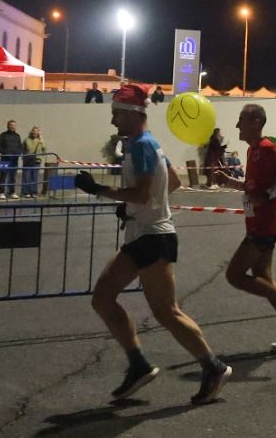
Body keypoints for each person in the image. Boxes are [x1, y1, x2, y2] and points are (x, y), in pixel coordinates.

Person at [73, 84, 231, 402]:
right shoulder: (147, 144)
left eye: (117, 113)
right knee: (105, 298)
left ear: (133, 114)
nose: (113, 120)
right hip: (147, 234)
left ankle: (211, 366)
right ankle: (139, 364)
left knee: (165, 311)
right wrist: (136, 208)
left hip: (152, 237)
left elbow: (145, 193)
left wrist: (100, 190)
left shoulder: (142, 146)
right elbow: (171, 182)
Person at [213, 103, 276, 350]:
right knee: (263, 277)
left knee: (234, 275)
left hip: (265, 224)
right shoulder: (252, 151)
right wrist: (230, 183)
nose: (237, 125)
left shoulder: (267, 148)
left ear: (256, 122)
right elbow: (251, 188)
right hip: (258, 222)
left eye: (241, 120)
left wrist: (268, 195)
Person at [0, 119, 24, 197]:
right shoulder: (3, 135)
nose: (12, 127)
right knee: (3, 175)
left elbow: (20, 146)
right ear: (7, 126)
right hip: (5, 159)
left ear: (15, 126)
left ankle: (12, 192)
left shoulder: (17, 136)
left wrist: (19, 153)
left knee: (12, 177)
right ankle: (1, 192)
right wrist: (5, 153)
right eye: (11, 125)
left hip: (14, 159)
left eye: (13, 125)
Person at [21, 125, 46, 197]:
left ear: (38, 133)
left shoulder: (41, 140)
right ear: (31, 132)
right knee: (26, 176)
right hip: (27, 160)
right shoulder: (26, 139)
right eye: (33, 131)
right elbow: (22, 148)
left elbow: (44, 149)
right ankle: (26, 192)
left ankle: (34, 192)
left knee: (34, 177)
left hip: (36, 161)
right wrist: (25, 155)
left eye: (36, 132)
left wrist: (41, 139)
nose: (34, 133)